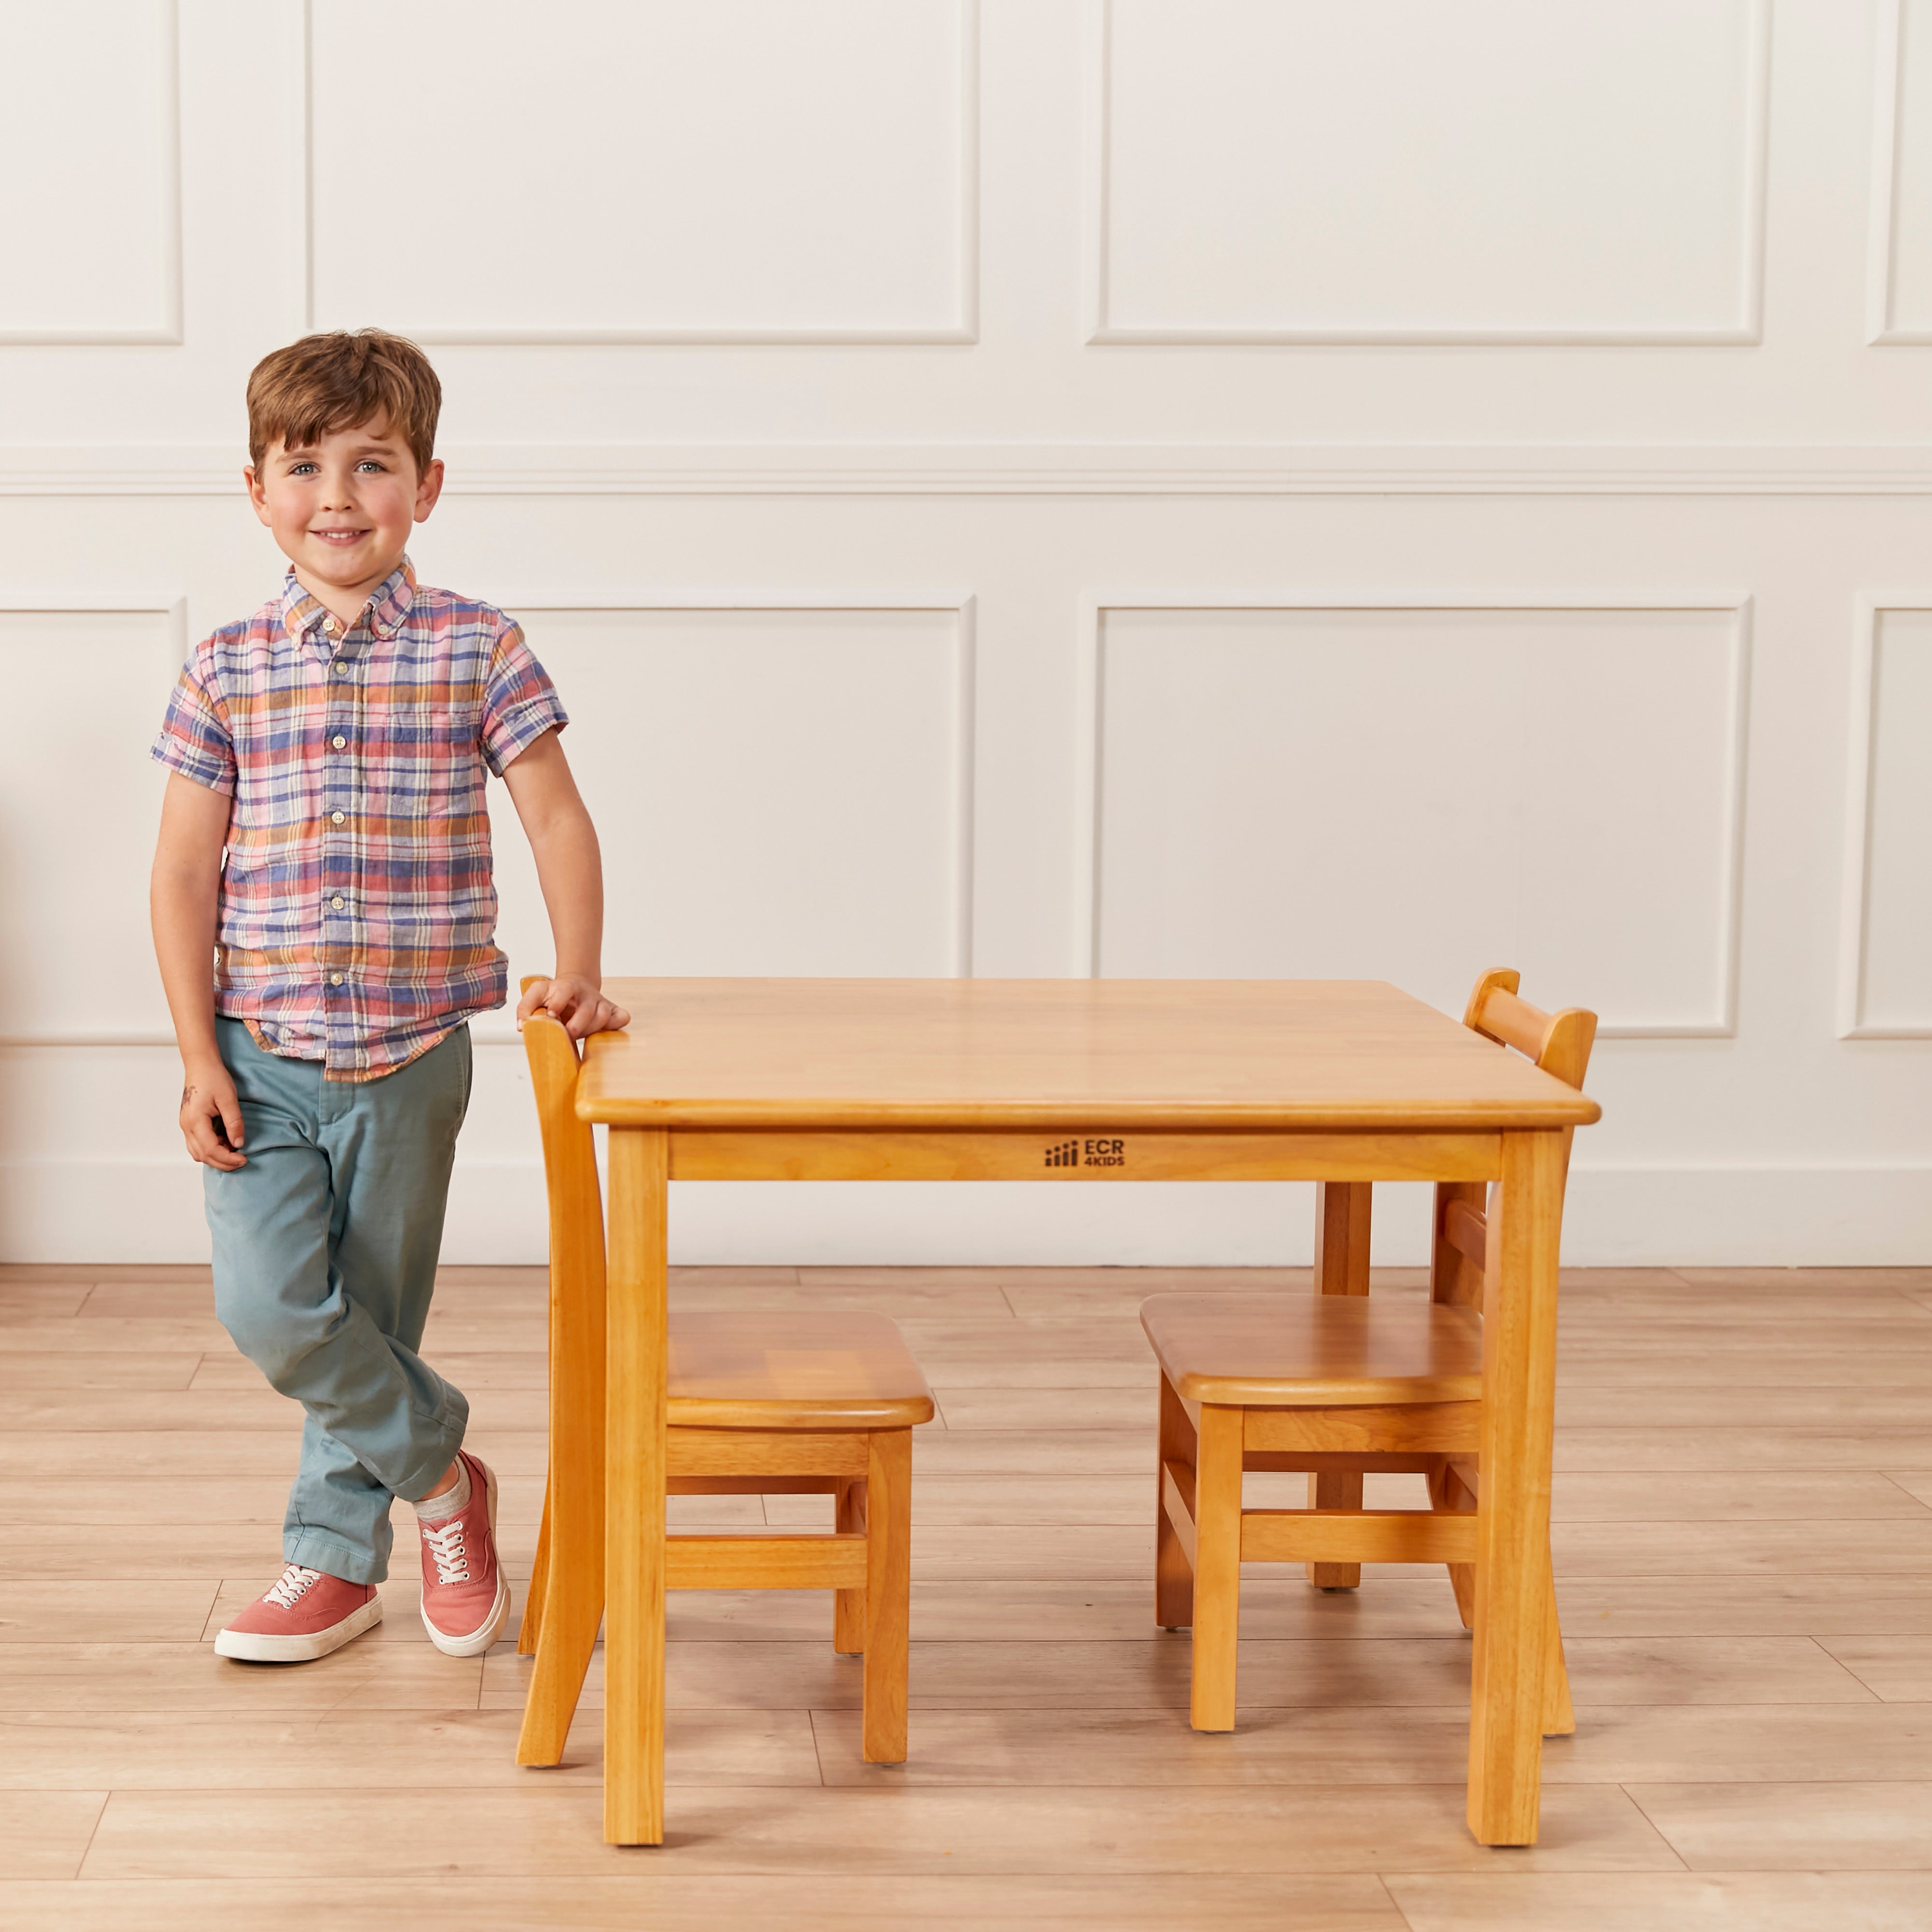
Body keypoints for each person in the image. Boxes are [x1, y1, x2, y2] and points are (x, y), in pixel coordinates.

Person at [148, 328, 628, 1662]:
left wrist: (579, 970)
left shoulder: (480, 646)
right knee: (271, 1309)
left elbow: (556, 818)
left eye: (372, 464)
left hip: (415, 1057)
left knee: (372, 1309)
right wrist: (198, 1058)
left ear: (427, 483)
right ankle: (444, 1477)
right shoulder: (226, 667)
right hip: (259, 1054)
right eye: (305, 467)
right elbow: (181, 874)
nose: (339, 496)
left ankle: (331, 1563)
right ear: (258, 489)